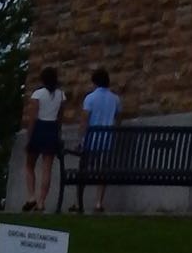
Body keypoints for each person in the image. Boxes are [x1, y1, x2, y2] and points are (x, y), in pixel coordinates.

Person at [21, 65, 66, 211]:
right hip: (52, 128)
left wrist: (29, 136)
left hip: (39, 128)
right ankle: (41, 201)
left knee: (29, 165)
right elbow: (60, 117)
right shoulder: (61, 95)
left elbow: (32, 117)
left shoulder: (38, 94)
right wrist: (58, 133)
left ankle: (31, 196)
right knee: (47, 168)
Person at [77, 65, 120, 215]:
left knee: (84, 170)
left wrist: (81, 139)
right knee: (103, 171)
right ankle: (98, 202)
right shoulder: (115, 99)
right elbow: (117, 118)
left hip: (91, 140)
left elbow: (84, 120)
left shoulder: (90, 98)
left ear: (94, 82)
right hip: (107, 140)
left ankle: (79, 201)